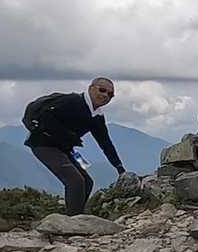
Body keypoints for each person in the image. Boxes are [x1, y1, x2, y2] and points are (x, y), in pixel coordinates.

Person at [23, 77, 127, 216]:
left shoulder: (96, 116)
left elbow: (105, 143)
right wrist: (68, 136)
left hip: (63, 149)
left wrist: (119, 167)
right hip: (43, 145)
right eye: (102, 90)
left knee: (87, 182)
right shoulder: (73, 101)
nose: (105, 95)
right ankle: (74, 221)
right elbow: (46, 117)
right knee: (75, 181)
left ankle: (77, 215)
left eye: (110, 94)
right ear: (91, 88)